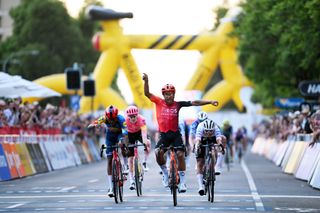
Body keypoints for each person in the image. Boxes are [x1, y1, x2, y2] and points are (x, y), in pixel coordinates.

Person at [142, 73, 219, 193]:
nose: (169, 96)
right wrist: (146, 81)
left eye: (171, 94)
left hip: (175, 134)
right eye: (166, 94)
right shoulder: (158, 101)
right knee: (158, 153)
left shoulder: (178, 104)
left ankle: (182, 182)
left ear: (174, 94)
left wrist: (209, 102)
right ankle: (166, 174)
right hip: (163, 134)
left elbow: (194, 102)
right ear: (164, 95)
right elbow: (147, 94)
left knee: (180, 155)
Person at [88, 105, 128, 198]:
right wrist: (93, 125)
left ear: (116, 116)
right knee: (109, 160)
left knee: (122, 143)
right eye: (109, 120)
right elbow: (96, 122)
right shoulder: (105, 118)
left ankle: (125, 166)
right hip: (109, 138)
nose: (111, 121)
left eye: (113, 119)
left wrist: (123, 140)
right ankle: (111, 188)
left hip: (119, 135)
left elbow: (126, 130)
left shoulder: (121, 118)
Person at [124, 105, 151, 190]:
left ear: (137, 115)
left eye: (134, 116)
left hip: (139, 132)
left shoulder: (142, 120)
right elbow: (124, 134)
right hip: (130, 134)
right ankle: (131, 180)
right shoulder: (125, 121)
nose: (132, 118)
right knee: (130, 158)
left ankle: (144, 162)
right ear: (128, 116)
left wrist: (144, 142)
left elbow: (144, 132)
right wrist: (125, 144)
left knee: (148, 143)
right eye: (130, 117)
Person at [194, 119, 224, 196]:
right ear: (204, 129)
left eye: (211, 131)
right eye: (207, 131)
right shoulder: (200, 127)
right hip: (202, 139)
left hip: (213, 139)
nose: (209, 133)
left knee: (215, 150)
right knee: (200, 162)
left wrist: (220, 146)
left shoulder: (216, 128)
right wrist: (197, 147)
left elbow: (218, 139)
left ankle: (213, 166)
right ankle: (201, 186)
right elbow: (197, 140)